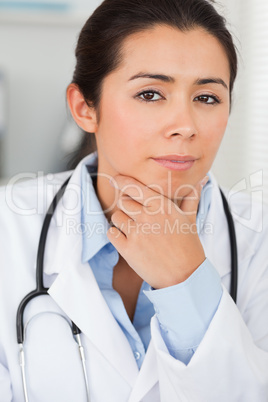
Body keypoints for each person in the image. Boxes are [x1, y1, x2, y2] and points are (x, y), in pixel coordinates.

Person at [0, 0, 267, 400]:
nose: (184, 126)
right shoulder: (9, 227)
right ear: (84, 108)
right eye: (150, 94)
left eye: (207, 97)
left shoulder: (258, 241)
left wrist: (186, 280)